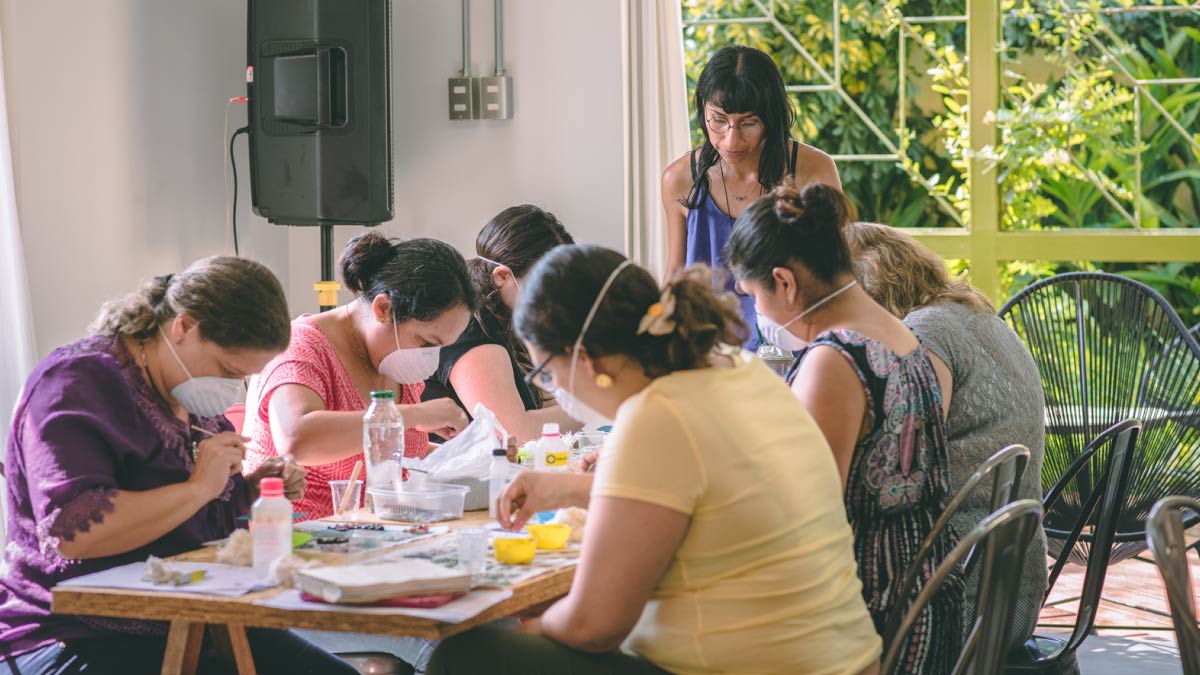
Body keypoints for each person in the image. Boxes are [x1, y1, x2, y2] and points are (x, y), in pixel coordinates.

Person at [426, 245, 882, 675]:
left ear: (584, 359)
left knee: (469, 652)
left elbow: (594, 626)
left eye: (547, 371)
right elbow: (698, 497)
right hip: (842, 656)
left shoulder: (655, 418)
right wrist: (566, 488)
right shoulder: (729, 366)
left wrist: (532, 624)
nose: (555, 387)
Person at [0, 257, 356, 675]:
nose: (229, 388)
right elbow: (73, 534)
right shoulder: (73, 386)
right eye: (227, 369)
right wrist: (198, 488)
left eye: (243, 377)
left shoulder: (189, 398)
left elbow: (195, 516)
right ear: (183, 326)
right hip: (75, 632)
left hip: (198, 617)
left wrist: (252, 489)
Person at [725, 183, 963, 674]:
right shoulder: (902, 333)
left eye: (753, 297)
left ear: (785, 283)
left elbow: (806, 516)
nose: (759, 313)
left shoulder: (834, 359)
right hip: (928, 597)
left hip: (875, 618)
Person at [845, 220, 1049, 650]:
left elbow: (912, 456)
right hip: (1014, 584)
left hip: (965, 596)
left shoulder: (926, 332)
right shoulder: (975, 312)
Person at [244, 232, 476, 521]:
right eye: (426, 343)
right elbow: (297, 440)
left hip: (373, 535)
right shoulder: (300, 347)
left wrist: (465, 455)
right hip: (296, 541)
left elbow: (383, 453)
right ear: (383, 308)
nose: (430, 356)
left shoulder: (393, 363)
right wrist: (413, 415)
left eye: (441, 346)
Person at [661, 44, 841, 349]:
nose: (731, 140)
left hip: (795, 345)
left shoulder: (814, 171)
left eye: (748, 123)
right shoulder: (680, 180)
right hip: (707, 352)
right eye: (718, 120)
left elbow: (836, 274)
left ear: (771, 118)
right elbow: (676, 274)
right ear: (702, 111)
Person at [422, 205, 584, 442]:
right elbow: (515, 433)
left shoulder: (505, 317)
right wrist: (589, 405)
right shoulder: (472, 325)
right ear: (502, 276)